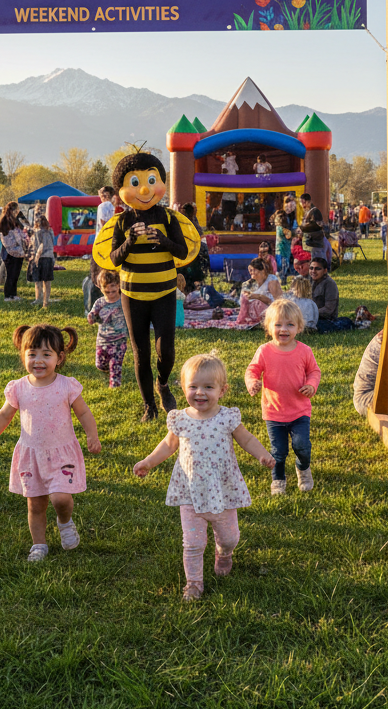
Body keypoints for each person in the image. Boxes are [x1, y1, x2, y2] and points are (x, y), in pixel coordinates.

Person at [133, 352, 275, 602]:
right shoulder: (180, 419)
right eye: (193, 386)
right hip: (190, 491)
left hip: (222, 489)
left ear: (222, 390)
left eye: (208, 387)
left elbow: (247, 439)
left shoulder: (226, 417)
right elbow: (168, 446)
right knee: (193, 543)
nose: (200, 392)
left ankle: (224, 553)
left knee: (230, 537)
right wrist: (148, 462)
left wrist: (262, 455)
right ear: (184, 387)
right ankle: (194, 583)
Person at [0, 324, 101, 562]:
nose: (38, 360)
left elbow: (84, 413)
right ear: (23, 355)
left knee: (60, 498)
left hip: (62, 454)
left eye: (46, 354)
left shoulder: (66, 386)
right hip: (31, 454)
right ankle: (39, 545)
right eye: (32, 354)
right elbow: (5, 415)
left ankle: (65, 522)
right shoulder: (19, 387)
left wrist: (91, 435)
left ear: (59, 357)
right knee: (35, 504)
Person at [91, 151, 200, 421]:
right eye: (135, 183)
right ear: (121, 190)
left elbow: (182, 251)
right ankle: (149, 406)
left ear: (161, 182)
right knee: (141, 352)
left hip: (164, 293)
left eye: (151, 180)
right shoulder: (123, 221)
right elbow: (114, 259)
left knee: (166, 350)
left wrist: (162, 240)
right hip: (133, 295)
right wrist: (129, 241)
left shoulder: (168, 218)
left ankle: (162, 383)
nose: (144, 189)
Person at [245, 299, 321, 495]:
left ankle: (303, 468)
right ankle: (278, 479)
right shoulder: (264, 351)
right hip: (274, 412)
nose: (283, 329)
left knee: (301, 446)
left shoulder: (304, 351)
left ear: (299, 327)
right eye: (278, 324)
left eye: (289, 324)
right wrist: (252, 382)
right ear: (268, 327)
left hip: (299, 410)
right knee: (278, 451)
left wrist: (311, 385)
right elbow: (252, 370)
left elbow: (314, 371)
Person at [87, 269, 128, 388]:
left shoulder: (123, 301)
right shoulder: (100, 302)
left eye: (113, 291)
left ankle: (114, 385)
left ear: (119, 286)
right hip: (103, 340)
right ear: (101, 289)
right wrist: (91, 317)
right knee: (100, 364)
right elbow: (93, 314)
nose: (110, 294)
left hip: (119, 340)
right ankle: (106, 368)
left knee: (115, 364)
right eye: (107, 291)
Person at [235, 258, 283, 326]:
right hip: (254, 312)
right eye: (250, 270)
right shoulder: (252, 282)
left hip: (271, 311)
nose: (251, 272)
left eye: (254, 270)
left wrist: (258, 297)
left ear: (262, 271)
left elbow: (278, 302)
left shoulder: (271, 280)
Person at [0, 201, 28, 302]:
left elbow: (21, 233)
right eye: (15, 210)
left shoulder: (16, 221)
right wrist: (20, 243)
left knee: (15, 274)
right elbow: (7, 240)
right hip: (10, 252)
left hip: (19, 251)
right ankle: (8, 295)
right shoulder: (5, 223)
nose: (17, 212)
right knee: (11, 274)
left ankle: (13, 294)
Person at [26, 214, 57, 308]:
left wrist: (32, 258)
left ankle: (38, 298)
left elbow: (36, 247)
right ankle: (46, 301)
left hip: (38, 258)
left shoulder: (37, 232)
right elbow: (52, 243)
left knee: (38, 280)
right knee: (47, 281)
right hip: (49, 257)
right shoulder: (50, 231)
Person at [308, 258, 340, 326]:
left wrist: (310, 313)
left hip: (326, 320)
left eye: (317, 269)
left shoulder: (330, 284)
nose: (313, 271)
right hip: (310, 317)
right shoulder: (309, 281)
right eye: (311, 268)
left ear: (325, 270)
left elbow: (329, 309)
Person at [273, 210, 293, 284]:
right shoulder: (280, 228)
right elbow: (289, 234)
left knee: (281, 268)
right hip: (283, 251)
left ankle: (282, 282)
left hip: (282, 251)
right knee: (282, 268)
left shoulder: (279, 228)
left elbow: (288, 234)